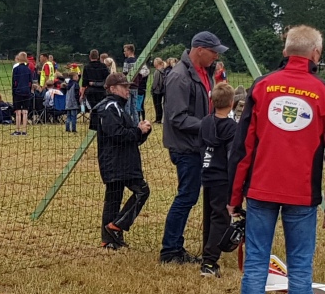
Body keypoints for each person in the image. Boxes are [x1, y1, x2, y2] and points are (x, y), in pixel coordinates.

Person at [226, 26, 325, 294]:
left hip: (260, 191)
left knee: (255, 268)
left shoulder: (262, 86)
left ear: (285, 51)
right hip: (302, 196)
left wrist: (234, 196)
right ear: (316, 54)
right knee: (300, 270)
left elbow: (242, 147)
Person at [158, 32, 227, 264]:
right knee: (186, 196)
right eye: (213, 51)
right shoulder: (180, 76)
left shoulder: (203, 73)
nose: (216, 56)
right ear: (199, 50)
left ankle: (175, 246)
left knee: (189, 196)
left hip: (197, 145)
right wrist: (211, 125)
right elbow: (177, 118)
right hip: (186, 148)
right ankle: (170, 250)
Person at [93, 72, 152, 250]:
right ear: (112, 89)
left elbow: (130, 138)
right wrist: (138, 131)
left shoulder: (118, 107)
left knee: (113, 198)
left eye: (128, 87)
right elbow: (117, 134)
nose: (128, 90)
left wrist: (142, 132)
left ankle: (109, 239)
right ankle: (116, 226)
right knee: (142, 191)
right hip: (117, 162)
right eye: (124, 87)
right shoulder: (109, 107)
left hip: (121, 160)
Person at [197, 82, 240, 277]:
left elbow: (200, 146)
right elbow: (233, 156)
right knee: (220, 219)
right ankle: (209, 261)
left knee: (210, 217)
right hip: (222, 178)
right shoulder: (232, 128)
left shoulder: (205, 122)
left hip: (207, 174)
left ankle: (207, 253)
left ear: (212, 101)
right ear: (231, 103)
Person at [11, 51, 33, 134]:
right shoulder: (28, 70)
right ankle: (24, 130)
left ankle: (17, 130)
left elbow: (14, 82)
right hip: (27, 92)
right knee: (25, 111)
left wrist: (13, 92)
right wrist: (29, 91)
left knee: (18, 111)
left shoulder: (16, 69)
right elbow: (30, 82)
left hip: (18, 92)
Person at [81, 49, 109, 114]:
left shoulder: (87, 67)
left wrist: (82, 95)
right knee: (102, 109)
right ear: (98, 56)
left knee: (93, 110)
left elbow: (84, 82)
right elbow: (107, 79)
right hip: (101, 91)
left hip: (91, 91)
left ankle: (94, 119)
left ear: (89, 56)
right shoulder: (103, 66)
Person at [150, 57, 171, 123]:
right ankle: (160, 118)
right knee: (160, 105)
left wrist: (152, 89)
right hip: (161, 90)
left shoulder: (157, 71)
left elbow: (155, 82)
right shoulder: (164, 70)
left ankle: (158, 119)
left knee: (157, 105)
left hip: (156, 91)